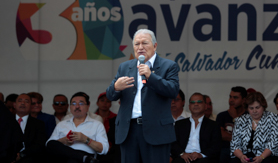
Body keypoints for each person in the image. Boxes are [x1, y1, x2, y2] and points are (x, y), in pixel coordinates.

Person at [106, 29, 180, 163]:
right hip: (129, 130)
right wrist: (116, 87)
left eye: (144, 43)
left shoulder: (168, 66)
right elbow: (110, 95)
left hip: (156, 130)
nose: (140, 47)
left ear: (155, 45)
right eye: (136, 44)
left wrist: (151, 77)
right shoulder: (125, 67)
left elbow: (173, 91)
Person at [46, 92, 109, 163]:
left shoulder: (97, 124)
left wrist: (86, 139)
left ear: (88, 106)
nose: (77, 106)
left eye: (81, 103)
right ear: (70, 107)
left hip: (86, 154)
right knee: (51, 143)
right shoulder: (61, 124)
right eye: (74, 104)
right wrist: (64, 140)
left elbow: (104, 149)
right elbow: (49, 145)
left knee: (72, 161)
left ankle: (82, 157)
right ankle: (82, 157)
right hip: (63, 157)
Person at [230, 92, 278, 163]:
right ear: (247, 108)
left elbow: (274, 142)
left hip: (268, 156)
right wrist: (241, 156)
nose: (254, 111)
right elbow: (234, 144)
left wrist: (261, 157)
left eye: (257, 107)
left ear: (263, 106)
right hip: (246, 156)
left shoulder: (273, 118)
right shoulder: (240, 120)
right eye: (251, 108)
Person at [171, 93, 221, 163]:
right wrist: (182, 154)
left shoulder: (213, 125)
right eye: (192, 102)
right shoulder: (179, 124)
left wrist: (201, 155)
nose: (196, 104)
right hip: (184, 157)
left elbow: (216, 146)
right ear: (189, 106)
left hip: (203, 158)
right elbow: (173, 143)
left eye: (199, 102)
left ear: (205, 106)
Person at [216, 86, 247, 163]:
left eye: (235, 97)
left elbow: (247, 138)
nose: (231, 100)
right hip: (225, 149)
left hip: (243, 150)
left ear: (243, 100)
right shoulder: (222, 115)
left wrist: (235, 118)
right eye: (230, 97)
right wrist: (239, 138)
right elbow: (221, 135)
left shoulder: (249, 116)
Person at [14, 93, 46, 163]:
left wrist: (21, 155)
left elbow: (39, 145)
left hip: (29, 157)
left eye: (26, 101)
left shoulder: (39, 124)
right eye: (20, 101)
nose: (23, 103)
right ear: (14, 105)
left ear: (31, 106)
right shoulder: (6, 121)